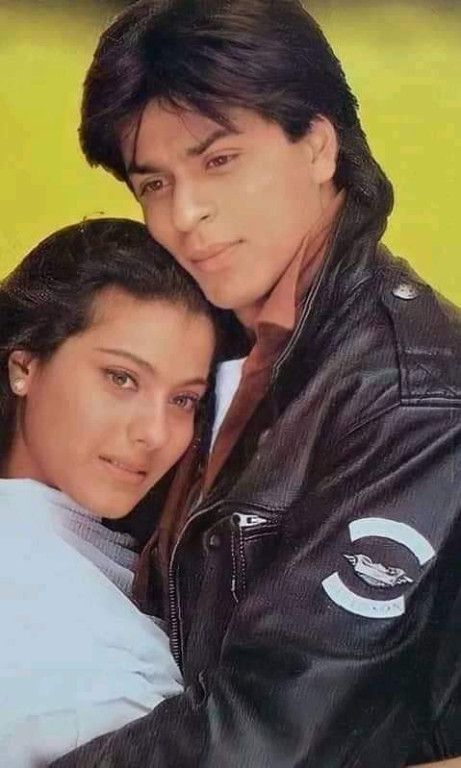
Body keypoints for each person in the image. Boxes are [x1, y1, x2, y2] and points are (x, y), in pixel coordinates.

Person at [52, 1, 461, 766]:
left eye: (219, 161)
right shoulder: (193, 341)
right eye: (153, 183)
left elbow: (269, 730)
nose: (185, 214)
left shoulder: (414, 396)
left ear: (317, 146)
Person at [0, 218, 218, 766]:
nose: (155, 433)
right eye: (122, 378)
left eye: (183, 400)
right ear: (25, 366)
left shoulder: (83, 553)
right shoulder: (28, 589)